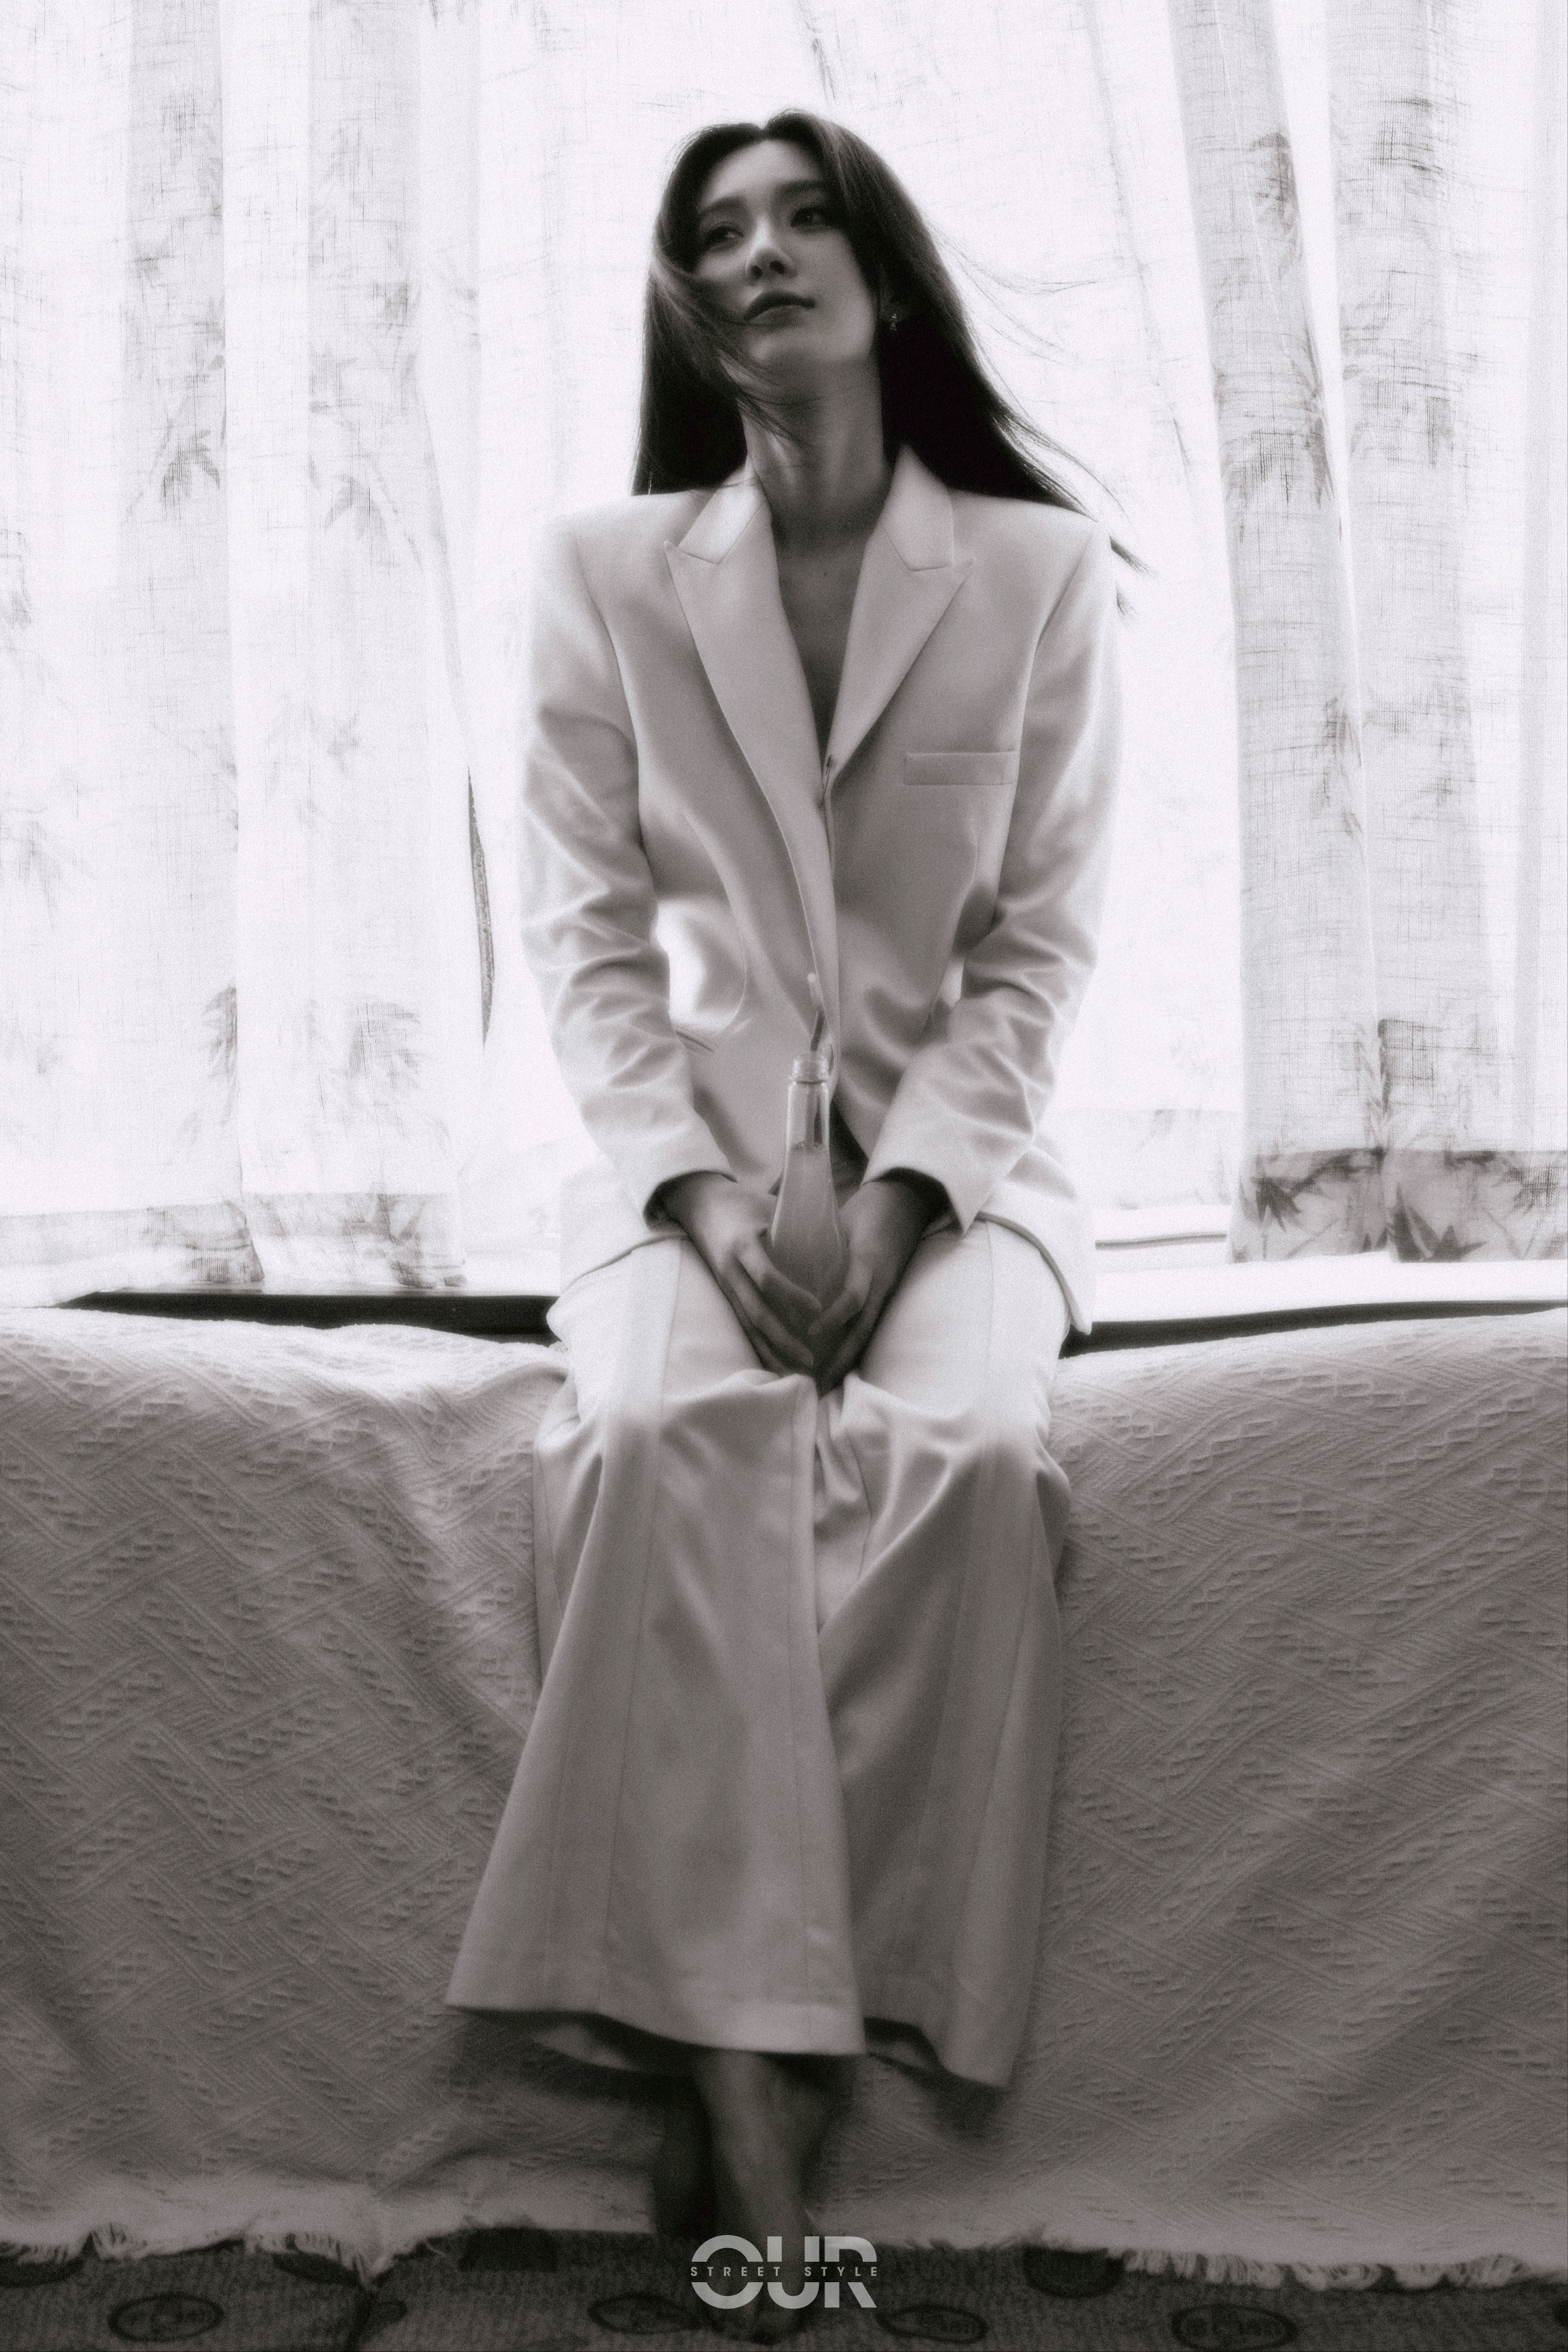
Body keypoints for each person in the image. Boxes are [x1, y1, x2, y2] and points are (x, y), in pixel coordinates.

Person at [447, 109, 1124, 2340]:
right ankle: (755, 2091)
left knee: (973, 1463)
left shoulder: (1032, 575)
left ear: (885, 274)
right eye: (714, 231)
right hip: (685, 1171)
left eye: (804, 215)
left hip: (963, 1172)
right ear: (686, 299)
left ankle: (789, 2018)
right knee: (656, 1442)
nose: (758, 253)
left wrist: (913, 1198)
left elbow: (1034, 952)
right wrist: (701, 1191)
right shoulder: (606, 572)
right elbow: (583, 942)